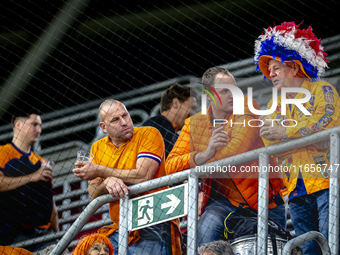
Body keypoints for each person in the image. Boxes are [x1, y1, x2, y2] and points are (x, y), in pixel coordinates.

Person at [166, 67, 285, 250]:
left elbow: (236, 151)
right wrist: (204, 153)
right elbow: (170, 166)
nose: (233, 95)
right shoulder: (193, 124)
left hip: (264, 201)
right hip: (223, 204)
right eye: (225, 91)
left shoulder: (247, 106)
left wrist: (206, 159)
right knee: (201, 243)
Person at [254, 21, 340, 254]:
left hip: (328, 180)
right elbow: (269, 140)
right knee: (309, 249)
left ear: (294, 66)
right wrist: (305, 135)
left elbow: (327, 122)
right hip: (295, 187)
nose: (270, 74)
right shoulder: (273, 104)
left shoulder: (322, 89)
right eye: (269, 69)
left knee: (333, 241)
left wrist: (287, 132)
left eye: (276, 68)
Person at [72, 99, 181, 255]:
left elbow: (143, 175)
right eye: (116, 120)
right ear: (103, 127)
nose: (124, 122)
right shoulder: (98, 147)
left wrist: (101, 171)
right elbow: (93, 192)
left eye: (125, 115)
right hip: (121, 225)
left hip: (154, 218)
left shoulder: (148, 133)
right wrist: (108, 181)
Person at [0, 107, 59, 251]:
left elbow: (50, 201)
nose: (39, 129)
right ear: (18, 125)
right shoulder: (3, 152)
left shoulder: (41, 161)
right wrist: (33, 177)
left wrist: (57, 233)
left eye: (40, 125)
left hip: (44, 233)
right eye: (34, 124)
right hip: (12, 234)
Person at [142, 83, 198, 159]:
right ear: (175, 103)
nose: (194, 113)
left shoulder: (173, 133)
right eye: (192, 107)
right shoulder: (156, 125)